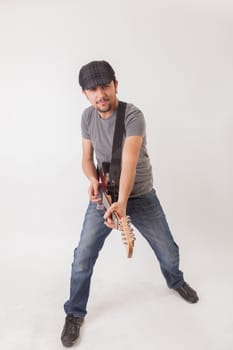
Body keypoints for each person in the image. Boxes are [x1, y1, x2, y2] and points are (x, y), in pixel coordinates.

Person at [61, 60, 199, 347]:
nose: (100, 94)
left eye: (105, 87)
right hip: (104, 195)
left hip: (139, 194)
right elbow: (87, 160)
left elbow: (130, 164)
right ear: (84, 93)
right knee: (83, 256)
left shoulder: (133, 115)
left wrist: (122, 202)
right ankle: (74, 312)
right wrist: (93, 182)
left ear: (116, 86)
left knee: (168, 251)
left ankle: (175, 281)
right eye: (93, 90)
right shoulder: (87, 118)